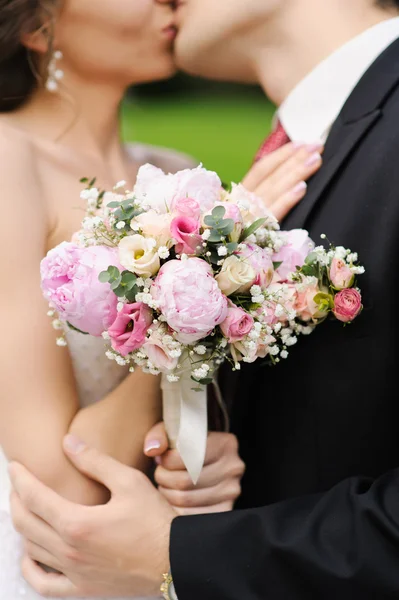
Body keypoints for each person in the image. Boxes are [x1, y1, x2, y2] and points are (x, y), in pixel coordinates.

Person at [10, 0, 399, 598]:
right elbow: (60, 490)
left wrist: (199, 463)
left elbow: (199, 408)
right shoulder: (10, 161)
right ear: (37, 25)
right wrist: (199, 302)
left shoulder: (174, 174)